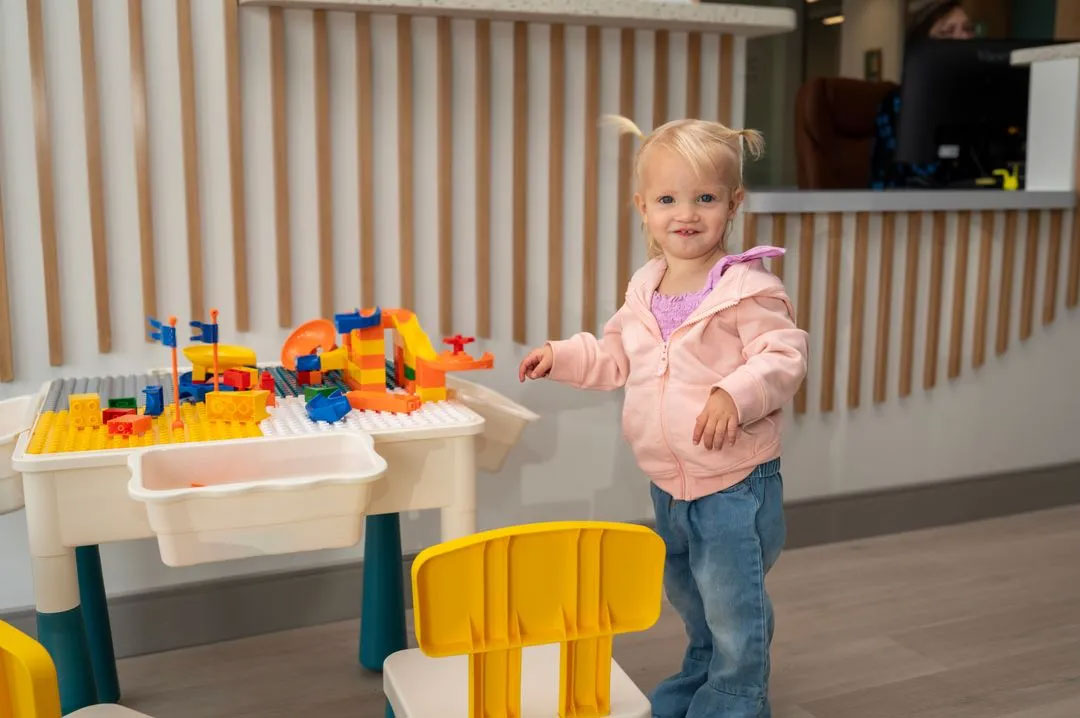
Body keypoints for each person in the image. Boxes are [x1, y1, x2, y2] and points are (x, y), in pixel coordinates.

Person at [518, 116, 808, 717]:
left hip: (734, 483)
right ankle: (704, 670)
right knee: (691, 593)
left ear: (733, 204)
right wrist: (562, 356)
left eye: (705, 198)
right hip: (668, 484)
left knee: (734, 601)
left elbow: (784, 357)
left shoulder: (748, 288)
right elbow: (616, 355)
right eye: (669, 198)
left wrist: (735, 393)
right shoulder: (645, 288)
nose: (688, 212)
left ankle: (736, 695)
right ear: (642, 207)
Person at [870, 0, 976, 188]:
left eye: (967, 29)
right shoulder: (899, 104)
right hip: (909, 210)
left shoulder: (979, 99)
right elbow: (923, 174)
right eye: (947, 32)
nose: (962, 38)